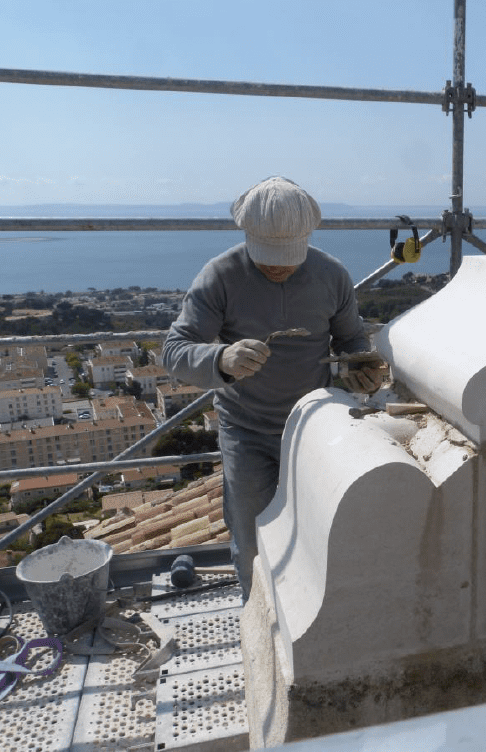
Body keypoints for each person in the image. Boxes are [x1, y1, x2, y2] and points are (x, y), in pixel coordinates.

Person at [162, 176, 382, 598]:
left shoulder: (331, 275)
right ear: (246, 234)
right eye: (269, 256)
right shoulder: (220, 277)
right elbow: (174, 352)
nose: (280, 266)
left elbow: (352, 338)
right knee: (252, 541)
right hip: (246, 431)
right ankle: (258, 616)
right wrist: (219, 359)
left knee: (321, 530)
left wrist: (360, 367)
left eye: (289, 255)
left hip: (316, 425)